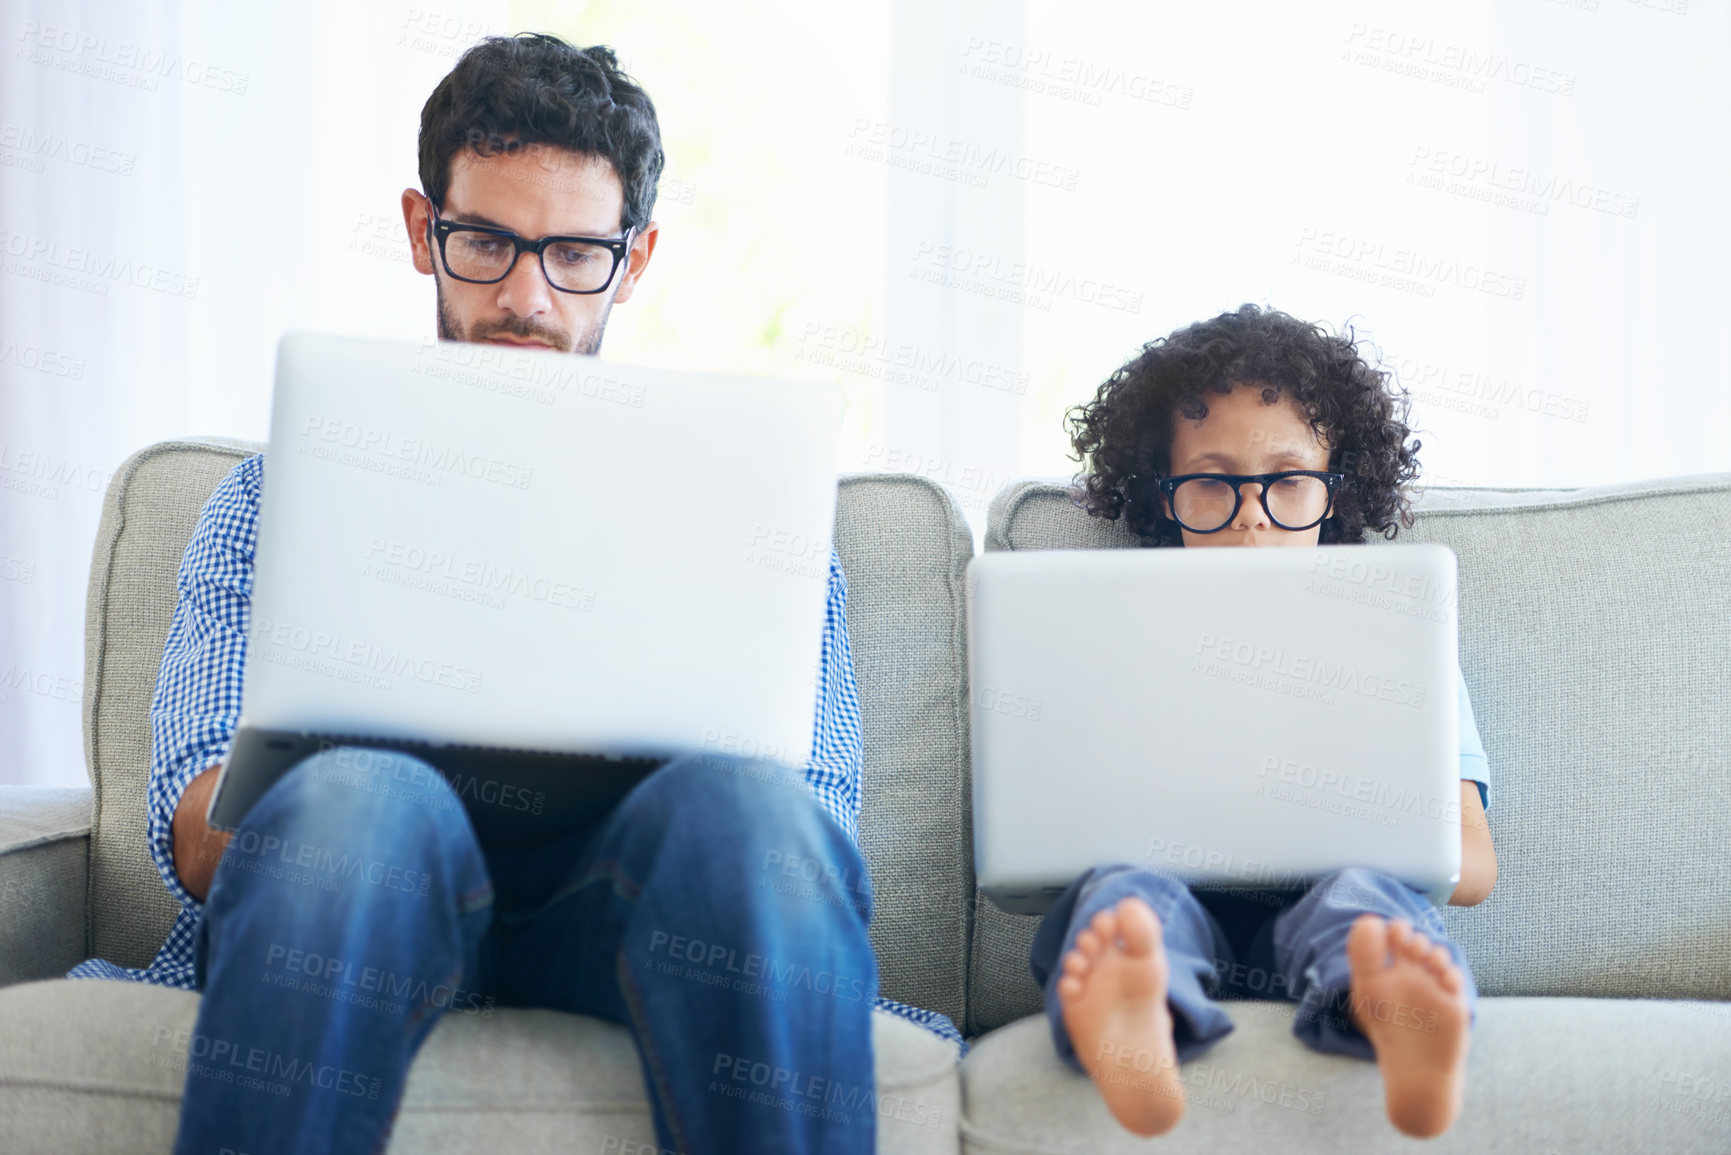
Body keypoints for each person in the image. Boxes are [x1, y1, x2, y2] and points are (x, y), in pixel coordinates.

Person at [66, 33, 957, 1155]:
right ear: (419, 231)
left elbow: (812, 836)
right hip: (370, 901)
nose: (526, 298)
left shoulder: (747, 510)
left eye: (576, 253)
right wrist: (318, 809)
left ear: (632, 263)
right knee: (352, 807)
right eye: (485, 241)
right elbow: (195, 842)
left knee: (750, 816)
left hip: (635, 913)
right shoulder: (271, 497)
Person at [1037, 303, 1496, 1139]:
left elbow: (1469, 866)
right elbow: (1038, 840)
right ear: (1161, 496)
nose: (1251, 513)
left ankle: (1396, 1011)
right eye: (1212, 481)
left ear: (1337, 489)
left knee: (1366, 903)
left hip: (1334, 915)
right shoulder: (1110, 633)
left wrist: (1327, 810)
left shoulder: (1399, 634)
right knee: (1123, 899)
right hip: (1170, 898)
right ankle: (1137, 1018)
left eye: (1287, 479)